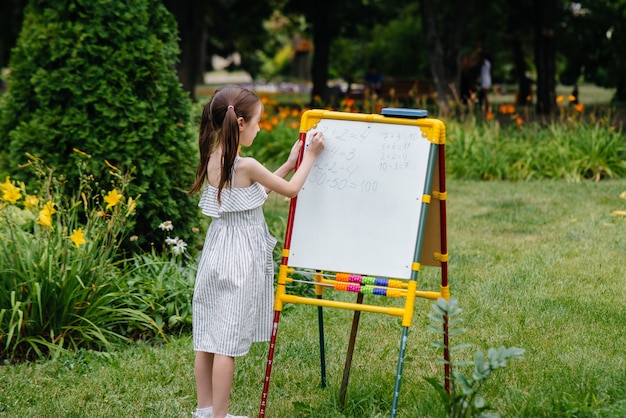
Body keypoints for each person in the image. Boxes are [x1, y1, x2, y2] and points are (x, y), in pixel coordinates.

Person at [187, 85, 325, 418]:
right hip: (240, 258)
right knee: (227, 342)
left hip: (217, 251)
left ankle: (204, 411)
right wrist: (309, 158)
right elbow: (290, 191)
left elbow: (254, 193)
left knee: (208, 335)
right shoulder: (246, 164)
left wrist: (289, 162)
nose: (260, 128)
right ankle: (220, 416)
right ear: (241, 123)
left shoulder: (212, 157)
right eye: (258, 122)